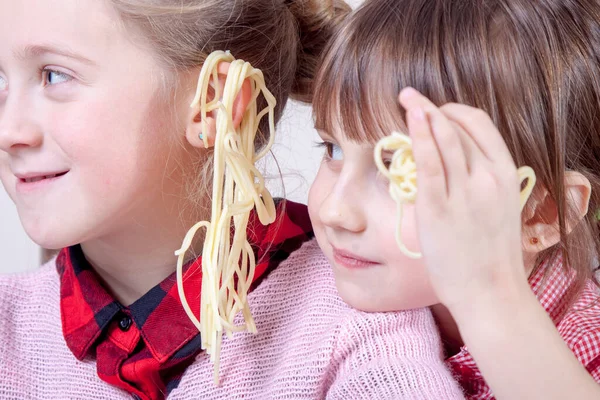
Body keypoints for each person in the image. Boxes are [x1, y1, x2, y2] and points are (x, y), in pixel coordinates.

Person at [0, 0, 464, 398]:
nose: (8, 132)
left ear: (213, 102)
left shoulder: (359, 309)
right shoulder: (10, 326)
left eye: (54, 76)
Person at [309, 0, 600, 398]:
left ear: (540, 214)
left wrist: (486, 293)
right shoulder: (319, 294)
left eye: (400, 168)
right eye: (333, 151)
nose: (334, 211)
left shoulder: (588, 349)